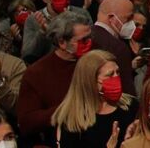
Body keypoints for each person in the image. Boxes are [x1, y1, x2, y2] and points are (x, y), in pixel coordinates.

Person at [16, 9, 93, 145]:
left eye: (90, 37)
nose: (89, 43)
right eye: (83, 40)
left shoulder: (96, 60)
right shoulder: (37, 73)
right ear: (62, 42)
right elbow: (27, 122)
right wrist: (64, 110)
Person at [51, 49, 137, 148]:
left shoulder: (132, 105)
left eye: (117, 72)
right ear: (90, 81)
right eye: (110, 75)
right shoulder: (71, 120)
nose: (116, 77)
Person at [90, 0, 137, 95]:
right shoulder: (117, 47)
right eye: (128, 19)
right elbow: (127, 90)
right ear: (111, 18)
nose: (132, 24)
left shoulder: (86, 37)